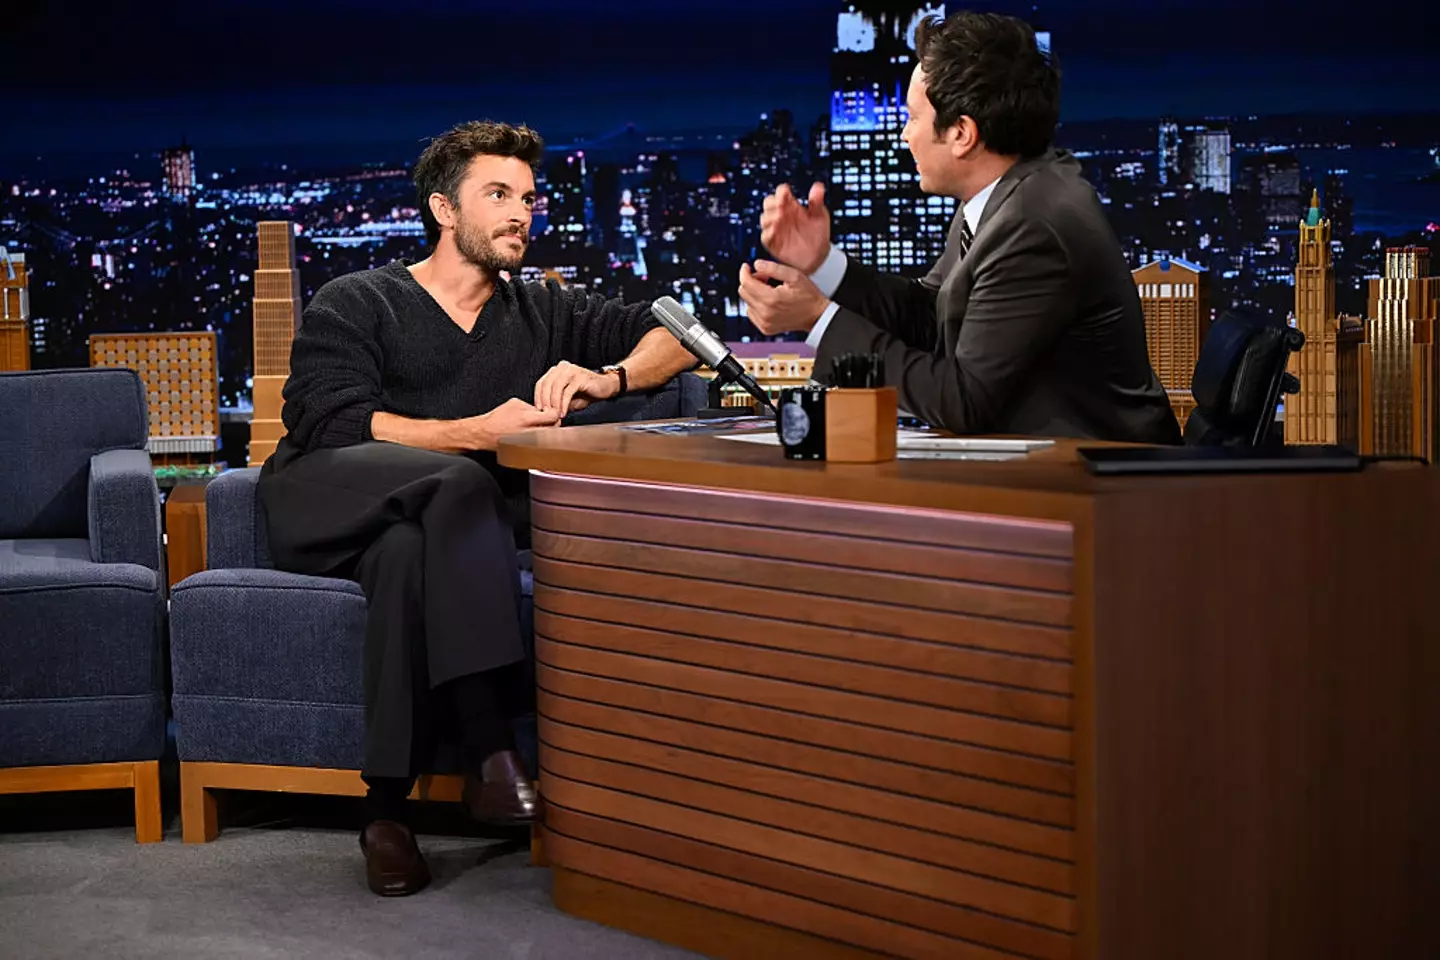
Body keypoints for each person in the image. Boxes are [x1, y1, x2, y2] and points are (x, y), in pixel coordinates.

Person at [257, 120, 693, 897]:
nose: (520, 212)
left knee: (405, 558)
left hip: (420, 536)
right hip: (325, 495)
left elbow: (680, 336)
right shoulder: (359, 299)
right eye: (497, 194)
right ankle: (492, 748)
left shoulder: (545, 312)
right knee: (465, 478)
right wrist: (476, 434)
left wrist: (611, 378)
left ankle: (384, 812)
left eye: (527, 197)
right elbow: (326, 420)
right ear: (444, 210)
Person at [739, 12, 1180, 444]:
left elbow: (964, 400)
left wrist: (818, 320)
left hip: (1109, 483)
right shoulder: (1007, 194)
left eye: (912, 118)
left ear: (962, 135)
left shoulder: (1034, 224)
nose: (904, 136)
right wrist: (823, 264)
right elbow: (933, 316)